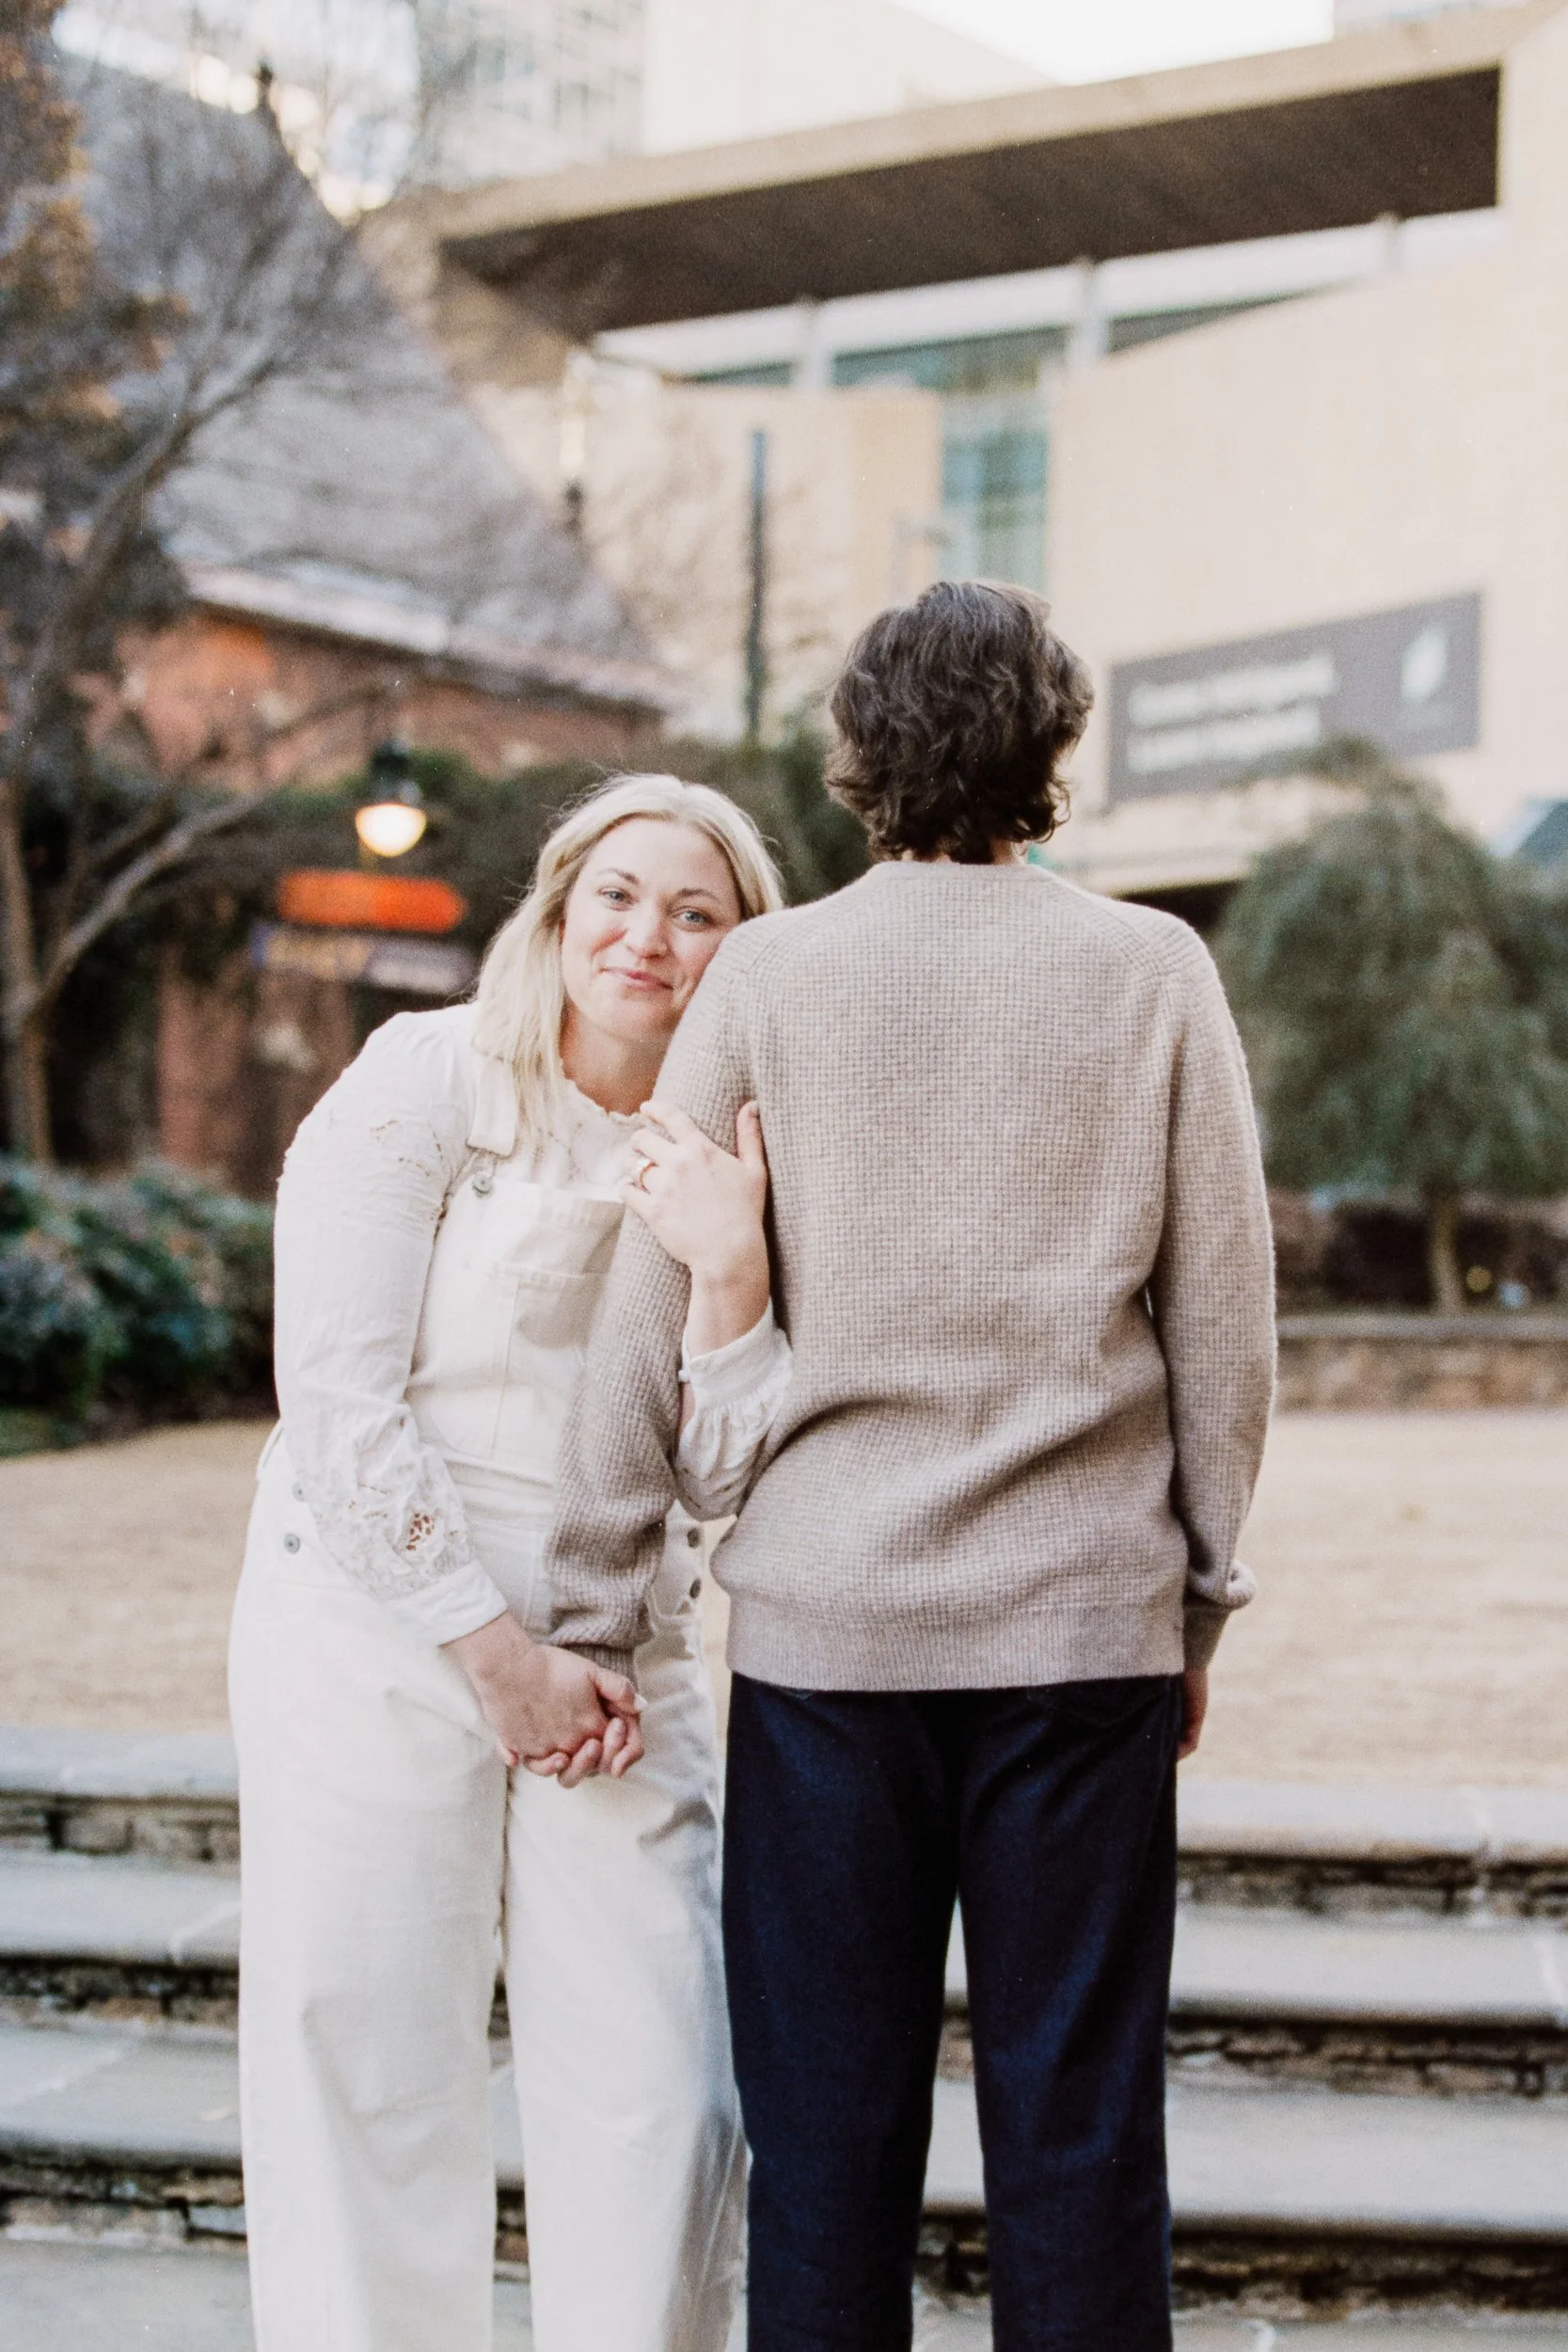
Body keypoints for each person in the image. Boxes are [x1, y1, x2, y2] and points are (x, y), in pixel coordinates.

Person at [546, 582, 1277, 2352]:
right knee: (1080, 2138)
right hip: (1078, 1642)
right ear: (1054, 750)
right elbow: (1225, 1331)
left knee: (825, 2146)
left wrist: (588, 1590)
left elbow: (652, 1293)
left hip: (821, 1653)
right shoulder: (1152, 971)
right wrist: (1193, 1599)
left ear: (856, 756)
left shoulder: (766, 977)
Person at [230, 773, 793, 2352]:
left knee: (662, 2084)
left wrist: (733, 1257)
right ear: (557, 910)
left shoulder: (751, 1146)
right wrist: (491, 1655)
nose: (649, 937)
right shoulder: (425, 1078)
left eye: (698, 911)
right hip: (377, 1619)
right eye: (618, 895)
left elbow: (737, 1462)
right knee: (368, 2049)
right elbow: (336, 1398)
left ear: (742, 950)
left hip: (622, 1647)